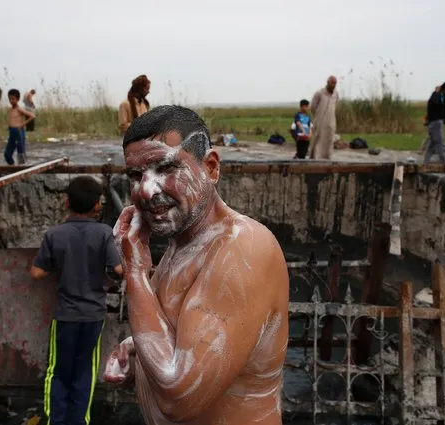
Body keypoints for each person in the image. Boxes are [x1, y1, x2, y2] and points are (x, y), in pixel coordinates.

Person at [104, 105, 289, 425]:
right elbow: (190, 338)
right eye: (136, 176)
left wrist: (135, 273)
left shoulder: (242, 250)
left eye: (166, 168)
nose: (146, 191)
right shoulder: (181, 246)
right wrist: (139, 349)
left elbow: (179, 397)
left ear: (211, 167)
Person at [30, 176, 123, 425]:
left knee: (57, 371)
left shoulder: (55, 234)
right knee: (85, 372)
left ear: (66, 201)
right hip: (94, 316)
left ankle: (54, 421)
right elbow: (118, 269)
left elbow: (37, 273)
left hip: (66, 316)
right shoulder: (104, 233)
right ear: (96, 206)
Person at [309, 76, 340, 159]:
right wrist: (319, 115)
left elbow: (336, 104)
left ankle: (327, 156)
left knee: (330, 138)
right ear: (328, 82)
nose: (333, 85)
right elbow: (313, 107)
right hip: (320, 120)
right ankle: (315, 156)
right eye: (332, 83)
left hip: (331, 120)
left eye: (335, 83)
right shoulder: (319, 93)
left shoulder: (336, 94)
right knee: (318, 138)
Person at [424, 81, 445, 163]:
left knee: (432, 143)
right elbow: (436, 102)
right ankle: (444, 160)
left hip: (436, 122)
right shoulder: (437, 95)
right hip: (435, 122)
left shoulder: (442, 96)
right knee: (440, 142)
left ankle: (426, 160)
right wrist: (437, 91)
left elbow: (441, 107)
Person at [5, 89, 35, 165]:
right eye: (9, 99)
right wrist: (9, 125)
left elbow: (32, 116)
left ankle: (22, 170)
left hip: (18, 131)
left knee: (20, 153)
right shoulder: (10, 109)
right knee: (7, 155)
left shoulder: (19, 109)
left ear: (17, 99)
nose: (11, 101)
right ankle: (12, 167)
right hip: (12, 132)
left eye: (13, 99)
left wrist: (22, 124)